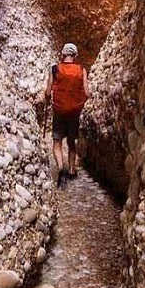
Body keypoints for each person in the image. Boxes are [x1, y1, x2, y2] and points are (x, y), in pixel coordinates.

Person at [42, 42, 89, 188]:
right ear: (75, 55)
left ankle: (61, 169)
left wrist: (47, 97)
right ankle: (72, 170)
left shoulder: (55, 69)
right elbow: (87, 92)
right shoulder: (82, 69)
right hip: (74, 111)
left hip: (59, 110)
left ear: (63, 54)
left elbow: (48, 92)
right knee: (71, 142)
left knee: (57, 141)